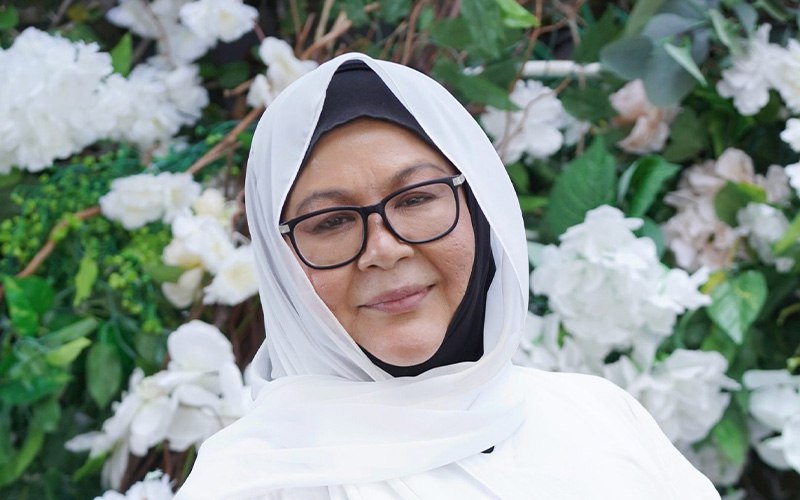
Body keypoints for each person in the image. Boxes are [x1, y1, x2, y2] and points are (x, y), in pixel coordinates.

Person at [176, 53, 719, 499]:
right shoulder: (254, 483)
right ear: (280, 260)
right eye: (332, 221)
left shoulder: (600, 418)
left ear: (480, 208)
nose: (383, 250)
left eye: (416, 198)